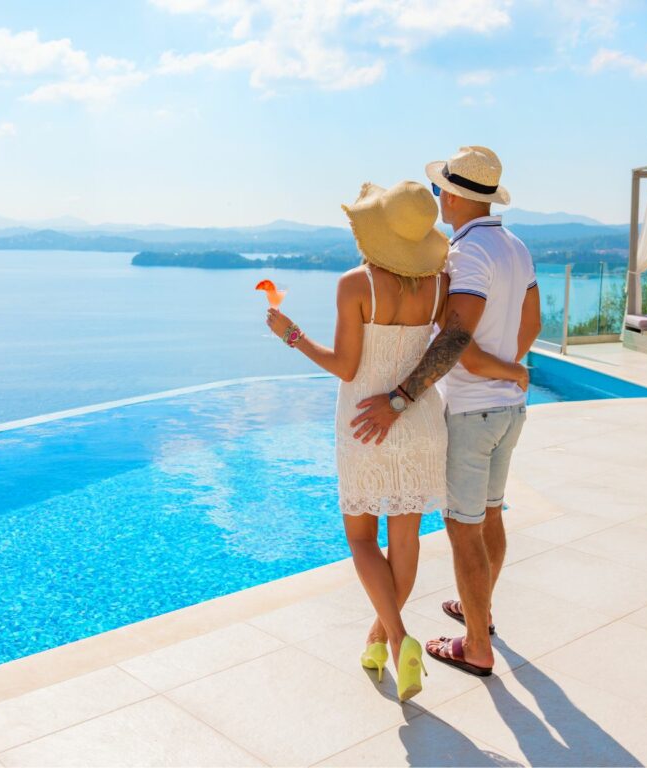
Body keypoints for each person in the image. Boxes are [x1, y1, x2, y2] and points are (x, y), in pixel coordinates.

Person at [265, 179, 526, 701]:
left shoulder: (354, 284)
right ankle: (379, 641)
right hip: (419, 420)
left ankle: (401, 638)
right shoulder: (438, 283)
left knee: (361, 539)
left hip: (366, 421)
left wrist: (291, 335)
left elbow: (346, 366)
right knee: (403, 541)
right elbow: (454, 343)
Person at [349, 146, 542, 678]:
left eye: (439, 192)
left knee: (463, 530)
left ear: (454, 196)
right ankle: (479, 609)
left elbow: (454, 339)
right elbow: (532, 324)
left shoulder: (466, 255)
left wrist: (399, 399)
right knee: (491, 515)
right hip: (508, 411)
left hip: (471, 413)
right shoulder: (515, 246)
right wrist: (510, 368)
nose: (438, 201)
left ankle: (476, 644)